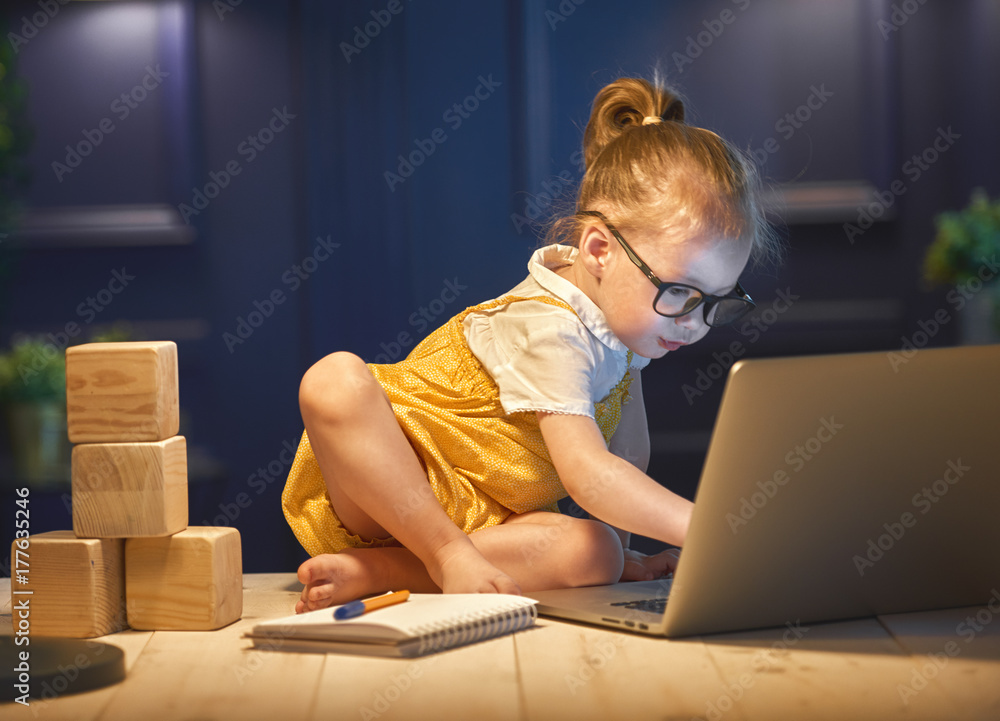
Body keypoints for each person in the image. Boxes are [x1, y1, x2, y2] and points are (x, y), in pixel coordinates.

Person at [283, 75, 780, 613]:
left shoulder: (626, 327)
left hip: (489, 520)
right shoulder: (553, 328)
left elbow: (628, 455)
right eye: (681, 291)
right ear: (598, 251)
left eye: (718, 301)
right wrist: (710, 529)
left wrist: (624, 557)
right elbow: (591, 474)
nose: (697, 324)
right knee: (333, 381)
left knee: (592, 553)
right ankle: (439, 555)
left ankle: (385, 570)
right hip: (395, 482)